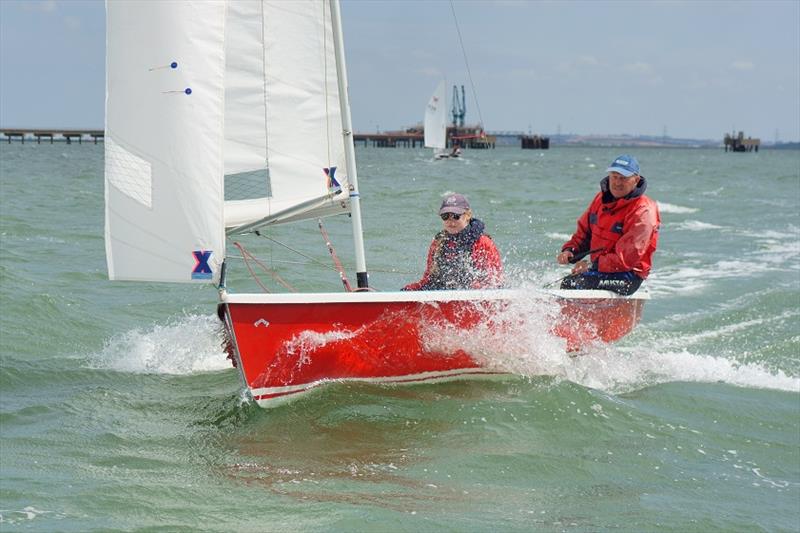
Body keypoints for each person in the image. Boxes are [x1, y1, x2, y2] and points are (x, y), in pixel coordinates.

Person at [556, 154, 660, 295]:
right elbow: (584, 234)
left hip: (628, 275)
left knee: (573, 283)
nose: (617, 183)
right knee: (569, 282)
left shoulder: (643, 210)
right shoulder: (600, 199)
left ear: (636, 180)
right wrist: (570, 251)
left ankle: (578, 317)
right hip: (601, 268)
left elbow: (626, 258)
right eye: (614, 177)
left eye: (623, 178)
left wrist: (592, 266)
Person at [403, 193, 503, 291]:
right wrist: (411, 289)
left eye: (455, 216)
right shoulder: (438, 242)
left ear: (468, 215)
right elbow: (428, 279)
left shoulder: (483, 242)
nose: (450, 221)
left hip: (475, 298)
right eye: (445, 216)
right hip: (443, 294)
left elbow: (495, 281)